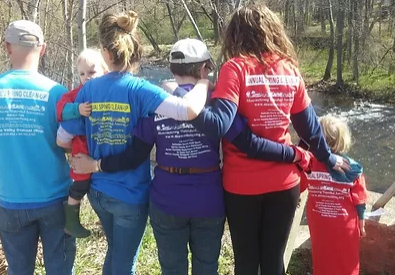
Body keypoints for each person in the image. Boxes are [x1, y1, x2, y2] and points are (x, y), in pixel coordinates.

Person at [70, 38, 313, 275]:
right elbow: (247, 142)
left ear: (172, 69)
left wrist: (96, 165)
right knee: (206, 268)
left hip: (167, 200)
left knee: (173, 269)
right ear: (203, 68)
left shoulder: (156, 101)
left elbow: (134, 155)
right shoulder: (220, 103)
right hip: (209, 200)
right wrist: (292, 153)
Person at [183, 4, 350, 275]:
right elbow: (309, 127)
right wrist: (328, 158)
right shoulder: (289, 70)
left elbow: (226, 127)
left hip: (241, 186)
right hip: (284, 185)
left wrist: (190, 101)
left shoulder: (234, 69)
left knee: (246, 263)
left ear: (234, 35)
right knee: (274, 262)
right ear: (273, 32)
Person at [55, 11, 210, 275]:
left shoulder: (88, 90)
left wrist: (82, 150)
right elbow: (188, 111)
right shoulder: (140, 89)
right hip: (129, 194)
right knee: (124, 262)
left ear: (105, 52)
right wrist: (204, 82)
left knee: (115, 252)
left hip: (98, 192)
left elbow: (62, 137)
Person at [0, 20, 75, 275]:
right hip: (56, 200)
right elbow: (70, 145)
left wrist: (5, 145)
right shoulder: (57, 92)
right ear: (42, 49)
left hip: (11, 203)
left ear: (7, 47)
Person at [300, 115, 367, 275]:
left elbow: (300, 186)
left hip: (319, 222)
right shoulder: (352, 169)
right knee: (346, 260)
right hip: (345, 225)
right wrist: (362, 224)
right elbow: (360, 200)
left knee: (322, 258)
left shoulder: (309, 163)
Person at [56, 48, 109, 238]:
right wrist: (77, 109)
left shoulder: (110, 90)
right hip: (82, 148)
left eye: (92, 72)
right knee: (80, 184)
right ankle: (71, 221)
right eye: (82, 74)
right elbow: (61, 109)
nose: (87, 77)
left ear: (105, 70)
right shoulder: (77, 93)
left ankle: (105, 225)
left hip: (103, 148)